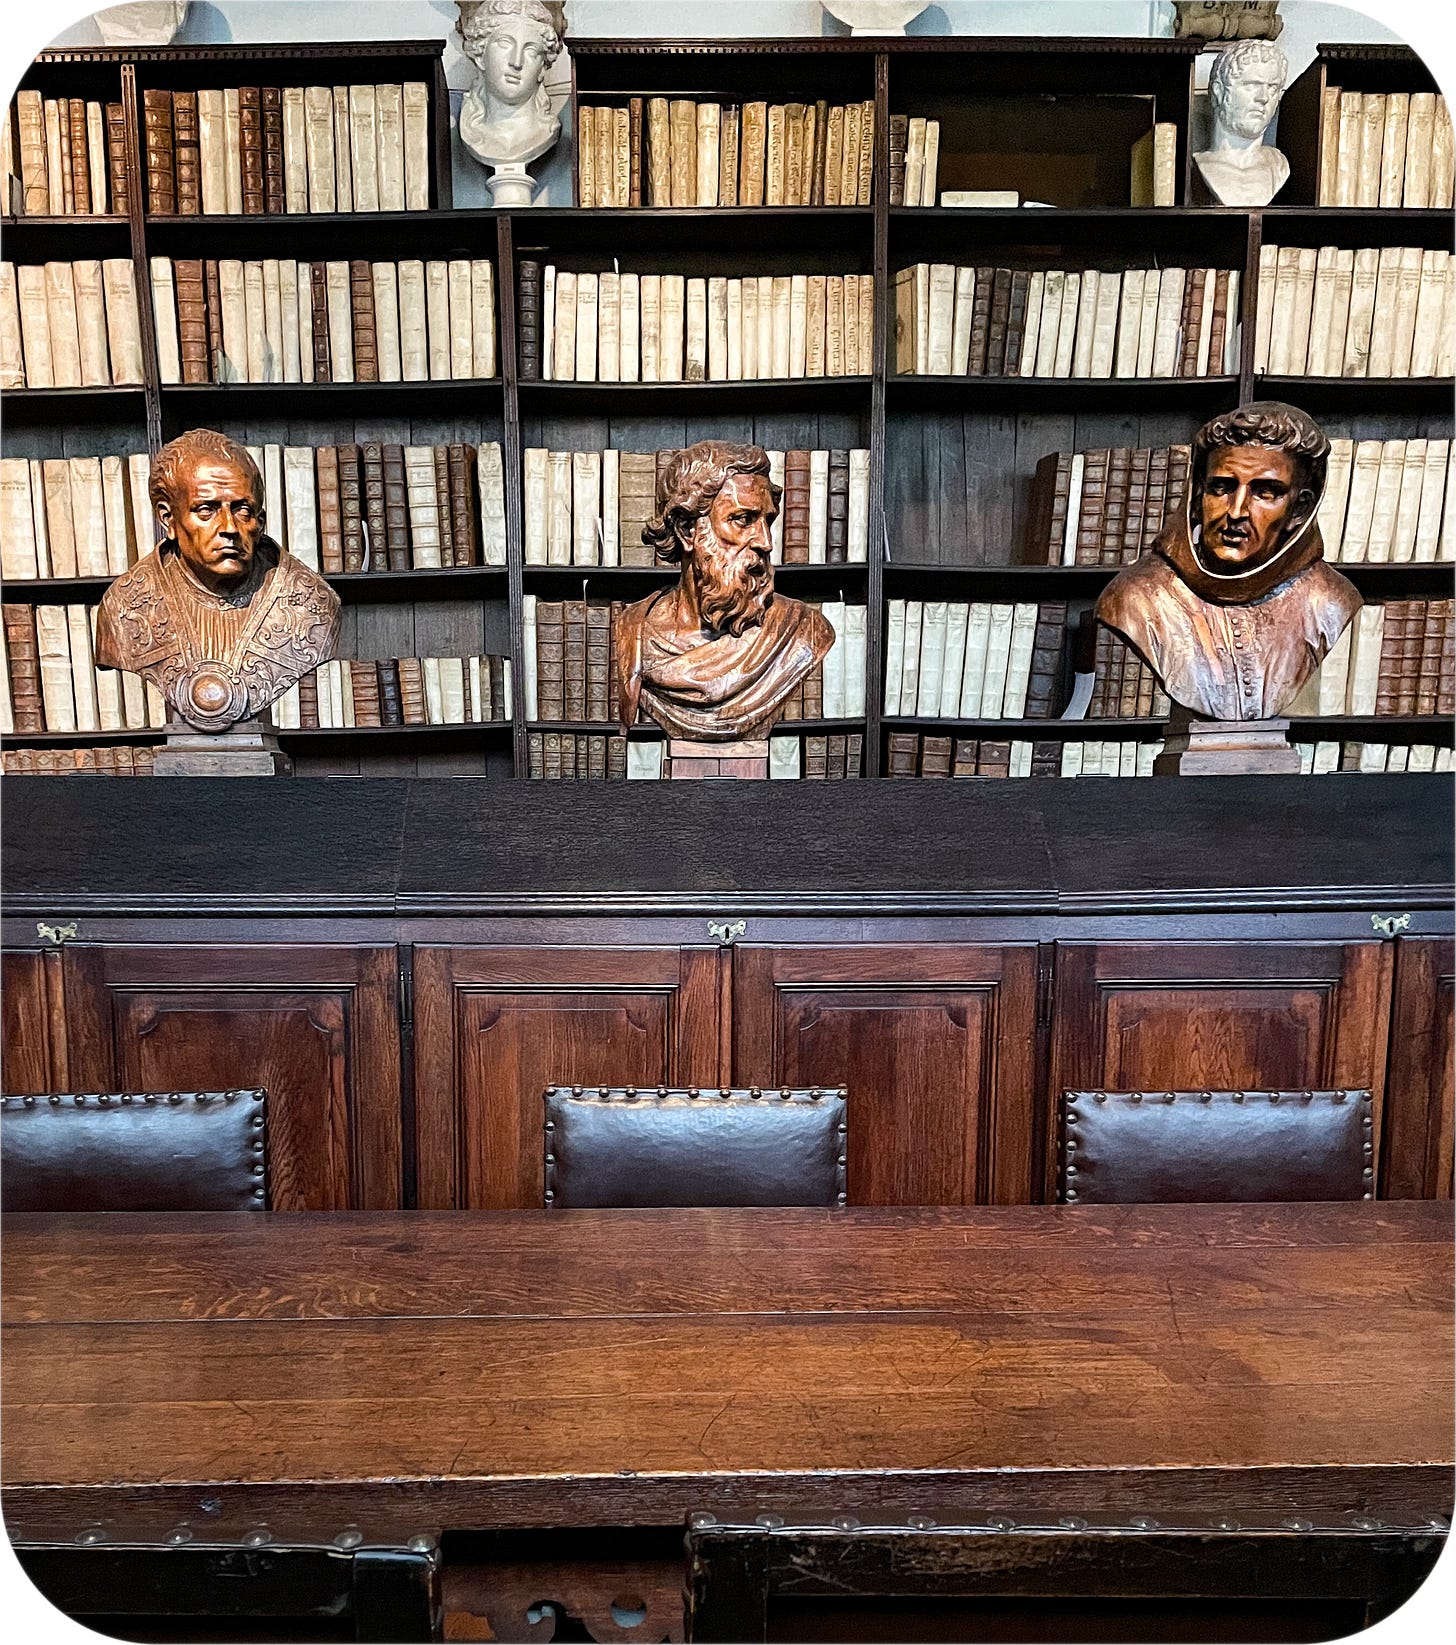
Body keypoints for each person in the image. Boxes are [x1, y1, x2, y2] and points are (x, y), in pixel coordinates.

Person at [1095, 402, 1360, 721]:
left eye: (1265, 492)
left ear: (1300, 509)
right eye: (1221, 487)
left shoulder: (1330, 602)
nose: (1236, 512)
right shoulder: (1135, 597)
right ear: (1197, 496)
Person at [95, 428, 340, 732]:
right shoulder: (124, 609)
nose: (229, 528)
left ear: (260, 523)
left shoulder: (312, 605)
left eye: (243, 511)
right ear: (168, 519)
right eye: (206, 510)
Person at [613, 441, 834, 740]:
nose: (765, 542)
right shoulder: (634, 630)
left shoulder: (804, 631)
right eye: (743, 520)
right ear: (687, 530)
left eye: (767, 521)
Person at [457, 0, 564, 169]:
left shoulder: (548, 131)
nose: (516, 62)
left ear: (542, 68)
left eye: (531, 51)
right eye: (504, 44)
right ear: (480, 55)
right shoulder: (470, 133)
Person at [1193, 37, 1290, 206]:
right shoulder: (1195, 166)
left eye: (1272, 88)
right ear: (1219, 91)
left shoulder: (1279, 167)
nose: (1263, 98)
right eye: (1252, 85)